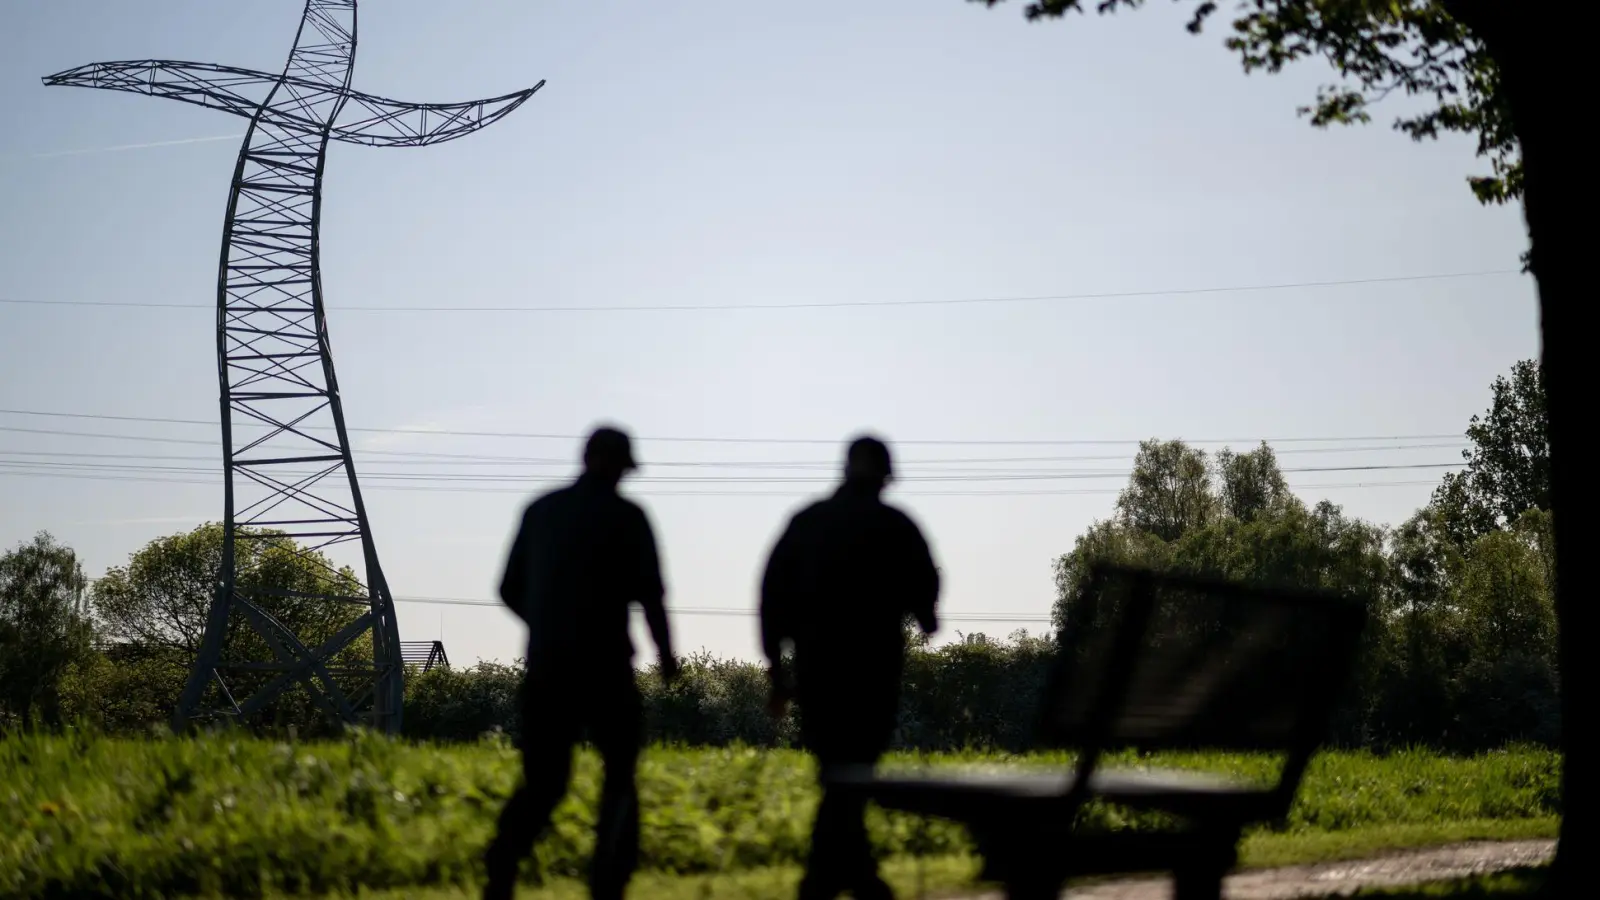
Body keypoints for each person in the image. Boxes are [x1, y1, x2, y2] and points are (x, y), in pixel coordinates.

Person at [482, 425, 678, 900]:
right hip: (608, 667)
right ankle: (609, 881)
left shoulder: (541, 510)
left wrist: (546, 624)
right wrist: (667, 655)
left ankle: (502, 863)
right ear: (620, 467)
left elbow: (507, 587)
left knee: (546, 781)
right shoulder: (628, 516)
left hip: (548, 667)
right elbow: (651, 596)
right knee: (620, 778)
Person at [760, 435, 941, 900]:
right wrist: (926, 616)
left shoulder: (807, 523)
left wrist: (778, 673)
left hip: (818, 675)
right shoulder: (895, 525)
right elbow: (926, 586)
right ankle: (847, 881)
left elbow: (771, 598)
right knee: (853, 773)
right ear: (884, 477)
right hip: (874, 676)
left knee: (839, 774)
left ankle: (839, 879)